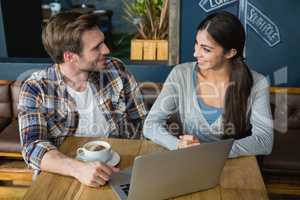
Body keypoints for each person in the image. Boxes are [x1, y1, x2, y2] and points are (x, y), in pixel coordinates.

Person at [18, 12, 147, 187]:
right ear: (70, 56)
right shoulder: (35, 87)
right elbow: (32, 147)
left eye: (103, 41)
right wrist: (80, 170)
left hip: (116, 170)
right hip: (62, 175)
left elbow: (140, 121)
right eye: (97, 47)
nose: (106, 50)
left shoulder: (115, 69)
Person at [143, 11, 273, 157]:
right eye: (196, 44)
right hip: (190, 161)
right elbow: (151, 124)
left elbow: (264, 141)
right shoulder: (181, 74)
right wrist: (178, 145)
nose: (195, 53)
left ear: (230, 53)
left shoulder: (258, 83)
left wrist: (209, 151)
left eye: (206, 49)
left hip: (234, 165)